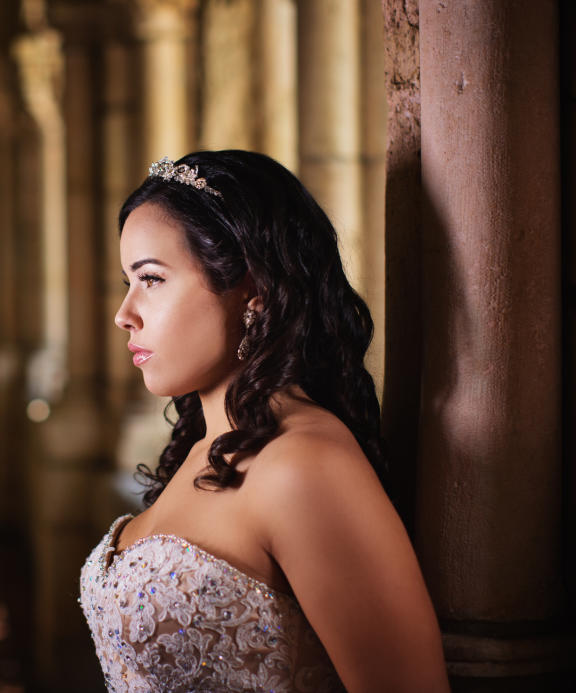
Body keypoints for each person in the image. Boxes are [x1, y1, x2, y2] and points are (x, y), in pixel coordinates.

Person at [79, 151, 449, 692]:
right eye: (126, 282)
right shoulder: (203, 448)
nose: (124, 312)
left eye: (152, 279)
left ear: (251, 289)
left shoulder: (304, 462)